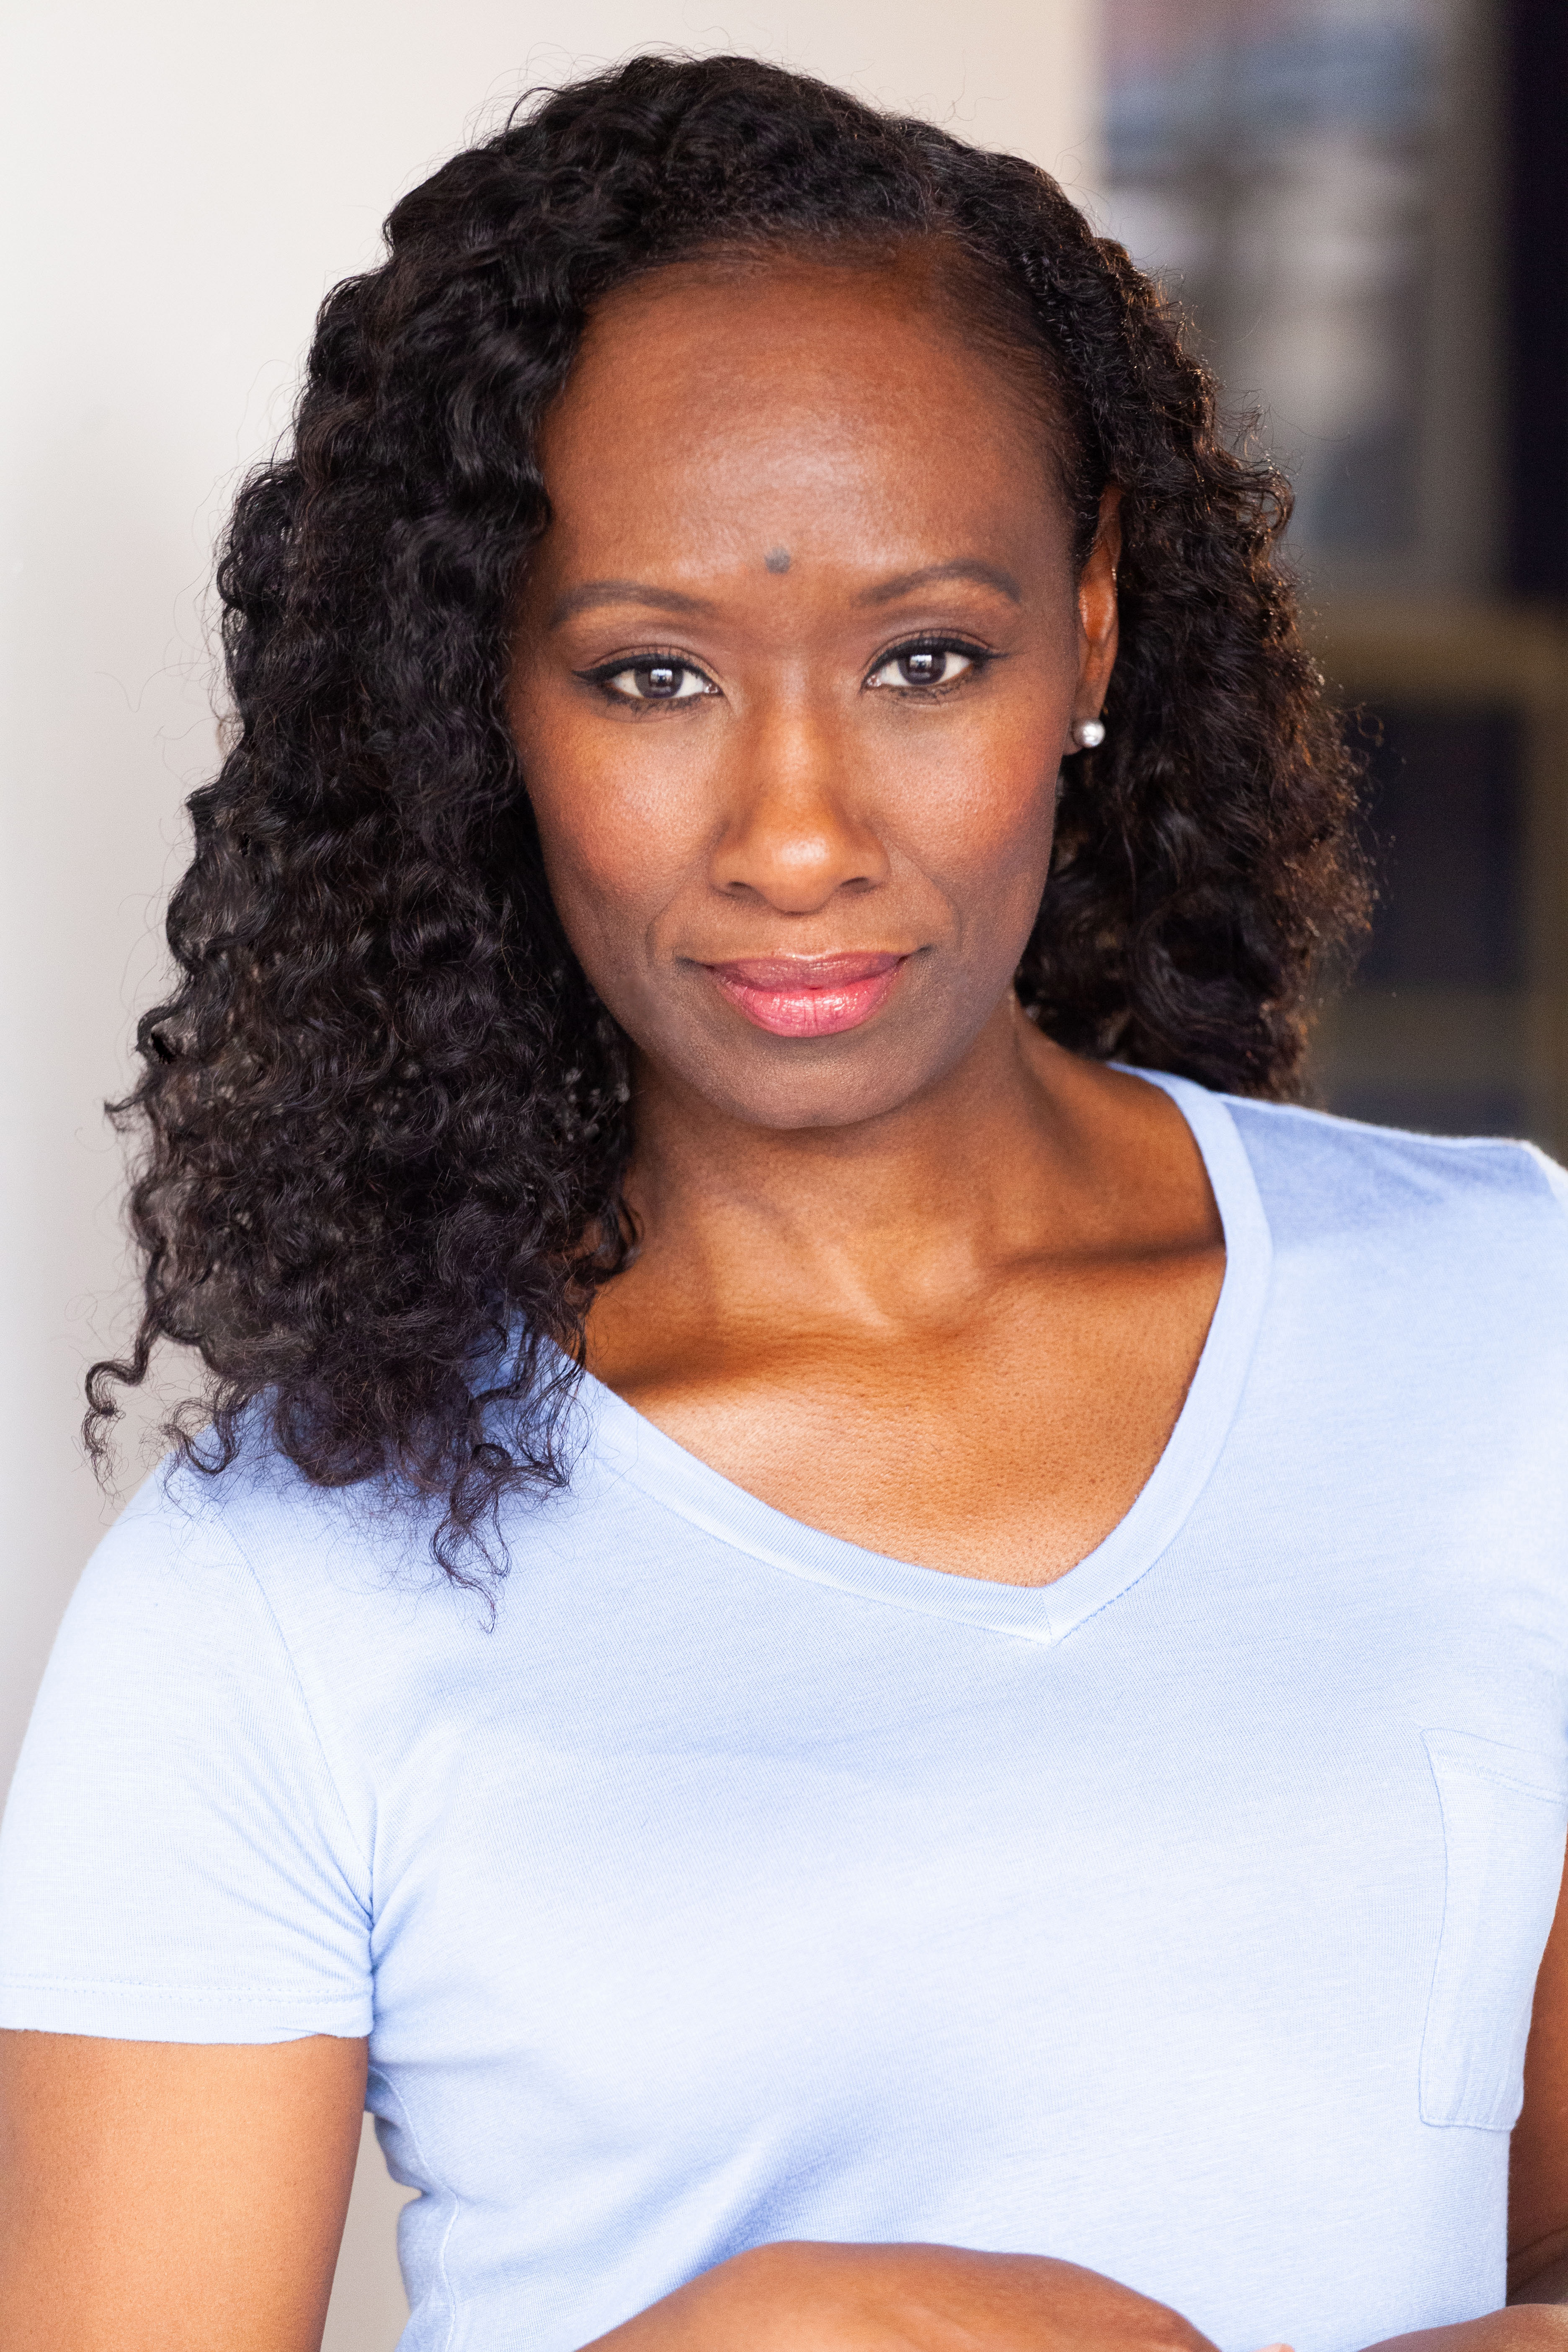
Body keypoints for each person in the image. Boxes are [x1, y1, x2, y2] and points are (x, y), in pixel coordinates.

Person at [2, 49, 1567, 2352]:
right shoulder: (278, 1583)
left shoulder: (1506, 1328)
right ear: (488, 706)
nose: (802, 833)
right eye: (653, 677)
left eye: (928, 658)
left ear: (1092, 627)